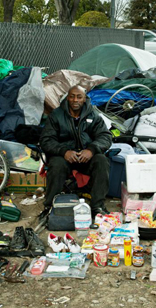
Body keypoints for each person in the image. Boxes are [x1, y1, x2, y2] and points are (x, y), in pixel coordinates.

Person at [39, 85, 112, 218]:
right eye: (72, 96)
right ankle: (49, 206)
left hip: (86, 158)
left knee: (101, 161)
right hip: (64, 158)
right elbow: (46, 140)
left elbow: (105, 137)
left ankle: (97, 206)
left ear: (85, 99)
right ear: (67, 98)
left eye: (79, 97)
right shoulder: (56, 115)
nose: (75, 100)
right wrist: (64, 151)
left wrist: (91, 150)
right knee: (56, 164)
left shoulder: (93, 115)